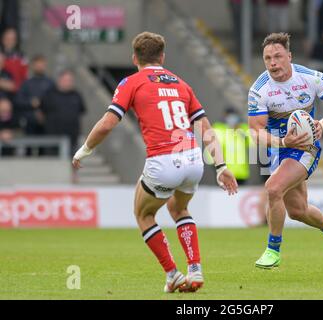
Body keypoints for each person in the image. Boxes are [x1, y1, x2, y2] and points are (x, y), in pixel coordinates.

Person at [72, 32, 238, 293]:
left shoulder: (132, 82)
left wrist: (85, 150)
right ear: (162, 56)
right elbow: (204, 127)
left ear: (134, 57)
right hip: (193, 159)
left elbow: (107, 124)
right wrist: (221, 166)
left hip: (163, 160)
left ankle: (173, 274)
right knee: (179, 210)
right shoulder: (182, 84)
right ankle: (195, 268)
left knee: (144, 213)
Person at [248, 33, 323, 269]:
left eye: (277, 56)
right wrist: (284, 142)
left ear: (289, 56)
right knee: (297, 211)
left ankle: (273, 250)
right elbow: (255, 132)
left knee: (273, 188)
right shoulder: (259, 90)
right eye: (267, 58)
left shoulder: (310, 78)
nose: (273, 63)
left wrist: (322, 124)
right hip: (281, 149)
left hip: (307, 146)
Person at [40, 69, 85, 156]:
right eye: (65, 80)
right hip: (53, 139)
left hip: (72, 139)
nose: (68, 83)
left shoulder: (76, 95)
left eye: (70, 80)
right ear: (59, 80)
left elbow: (81, 113)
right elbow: (41, 113)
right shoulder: (49, 94)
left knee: (72, 164)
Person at [15, 54, 54, 135]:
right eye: (37, 65)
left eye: (41, 65)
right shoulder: (26, 83)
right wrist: (31, 103)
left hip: (47, 122)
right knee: (29, 144)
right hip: (30, 122)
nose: (39, 67)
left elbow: (55, 101)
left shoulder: (50, 83)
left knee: (48, 146)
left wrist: (44, 112)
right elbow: (18, 101)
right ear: (32, 66)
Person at [212, 107, 252, 185]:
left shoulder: (243, 128)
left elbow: (252, 142)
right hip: (224, 171)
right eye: (229, 116)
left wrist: (239, 131)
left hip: (241, 173)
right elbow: (213, 147)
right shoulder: (218, 128)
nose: (232, 119)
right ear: (225, 116)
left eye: (234, 116)